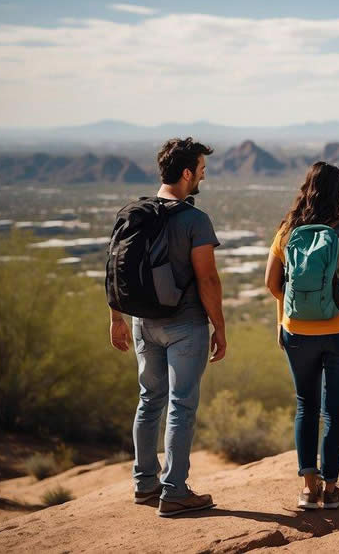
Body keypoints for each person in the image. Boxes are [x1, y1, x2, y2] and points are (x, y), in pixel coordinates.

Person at [108, 137, 227, 517]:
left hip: (144, 323)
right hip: (184, 325)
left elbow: (115, 269)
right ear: (187, 173)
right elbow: (208, 280)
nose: (203, 179)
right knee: (181, 405)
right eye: (202, 172)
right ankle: (174, 491)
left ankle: (145, 485)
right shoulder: (194, 219)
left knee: (149, 401)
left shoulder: (135, 212)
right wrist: (219, 327)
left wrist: (116, 318)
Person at [264, 162, 339, 511]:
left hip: (298, 332)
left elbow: (271, 283)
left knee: (305, 406)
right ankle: (331, 489)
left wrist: (285, 316)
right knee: (335, 412)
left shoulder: (286, 232)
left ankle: (307, 488)